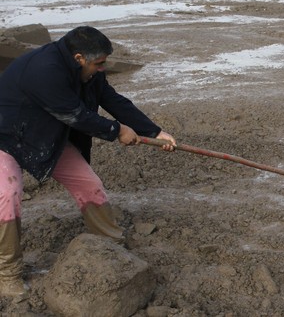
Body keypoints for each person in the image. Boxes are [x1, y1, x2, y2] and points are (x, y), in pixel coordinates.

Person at [0, 26, 177, 301]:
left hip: (46, 135)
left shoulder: (88, 72)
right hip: (6, 137)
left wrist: (153, 131)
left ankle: (112, 246)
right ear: (80, 58)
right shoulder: (44, 70)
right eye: (99, 63)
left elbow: (110, 98)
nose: (103, 68)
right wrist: (117, 131)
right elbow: (76, 115)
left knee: (90, 184)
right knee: (8, 193)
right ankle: (8, 274)